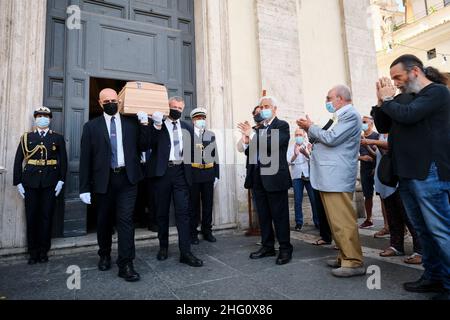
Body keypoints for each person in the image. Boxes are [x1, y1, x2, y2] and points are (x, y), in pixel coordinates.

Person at [375, 54, 450, 300]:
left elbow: (408, 115)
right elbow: (384, 125)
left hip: (428, 172)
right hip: (407, 173)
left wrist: (389, 99)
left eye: (398, 77)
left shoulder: (437, 92)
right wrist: (381, 102)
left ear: (415, 71)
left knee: (440, 229)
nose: (395, 83)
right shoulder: (403, 99)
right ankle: (433, 276)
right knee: (422, 229)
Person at [298, 85, 365, 278]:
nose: (327, 101)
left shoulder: (350, 115)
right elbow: (322, 138)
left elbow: (331, 138)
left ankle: (353, 261)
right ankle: (344, 255)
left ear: (340, 98)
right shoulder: (338, 116)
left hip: (337, 175)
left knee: (343, 220)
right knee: (335, 221)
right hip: (328, 176)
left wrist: (311, 127)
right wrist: (310, 128)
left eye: (329, 98)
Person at [79, 88, 144, 282]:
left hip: (127, 179)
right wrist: (84, 188)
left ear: (120, 101)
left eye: (114, 100)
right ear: (100, 103)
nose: (111, 103)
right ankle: (104, 254)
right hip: (103, 180)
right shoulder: (91, 127)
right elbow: (85, 159)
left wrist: (148, 124)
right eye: (106, 101)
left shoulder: (132, 124)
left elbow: (145, 145)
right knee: (104, 221)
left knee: (125, 221)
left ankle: (126, 263)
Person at [138, 97, 203, 267]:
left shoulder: (187, 127)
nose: (176, 110)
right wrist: (156, 126)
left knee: (183, 212)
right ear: (167, 107)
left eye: (180, 108)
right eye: (173, 107)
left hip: (181, 172)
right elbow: (145, 145)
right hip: (162, 173)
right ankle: (163, 247)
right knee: (161, 212)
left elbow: (194, 152)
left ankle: (185, 252)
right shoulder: (157, 124)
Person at [238, 96, 293, 265]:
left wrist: (252, 135)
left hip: (275, 177)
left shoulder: (282, 125)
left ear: (275, 109)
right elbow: (251, 153)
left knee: (280, 215)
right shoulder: (258, 128)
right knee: (263, 215)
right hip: (257, 178)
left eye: (267, 106)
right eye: (261, 107)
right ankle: (267, 245)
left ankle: (285, 248)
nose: (263, 109)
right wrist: (246, 142)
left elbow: (273, 144)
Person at [13, 106, 67, 264]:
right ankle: (33, 252)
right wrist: (18, 182)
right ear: (35, 118)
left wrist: (61, 180)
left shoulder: (57, 138)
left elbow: (63, 160)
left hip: (50, 183)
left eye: (45, 116)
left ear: (50, 119)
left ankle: (43, 251)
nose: (42, 118)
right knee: (31, 217)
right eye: (39, 115)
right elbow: (18, 160)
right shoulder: (26, 137)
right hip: (29, 183)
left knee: (46, 217)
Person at [363, 133, 422, 264]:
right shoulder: (381, 136)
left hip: (402, 178)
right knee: (393, 215)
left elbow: (396, 146)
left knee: (409, 216)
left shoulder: (399, 127)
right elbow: (384, 154)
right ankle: (396, 246)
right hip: (388, 178)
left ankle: (420, 250)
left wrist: (371, 142)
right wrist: (374, 145)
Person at [189, 107, 220, 244]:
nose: (201, 121)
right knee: (193, 205)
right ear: (193, 120)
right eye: (198, 118)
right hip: (194, 174)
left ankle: (207, 230)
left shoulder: (210, 135)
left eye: (203, 118)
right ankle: (193, 233)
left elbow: (215, 156)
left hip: (208, 174)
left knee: (208, 204)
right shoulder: (187, 134)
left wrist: (217, 175)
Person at [287, 128, 319, 231]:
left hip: (309, 176)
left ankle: (317, 222)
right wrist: (295, 155)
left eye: (300, 134)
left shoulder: (309, 145)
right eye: (296, 135)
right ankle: (299, 223)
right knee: (297, 200)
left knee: (314, 200)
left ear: (304, 135)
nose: (298, 136)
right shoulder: (291, 147)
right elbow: (288, 162)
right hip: (297, 177)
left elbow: (315, 160)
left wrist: (307, 153)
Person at [358, 116, 379, 229]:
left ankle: (389, 222)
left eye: (364, 122)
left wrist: (375, 165)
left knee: (383, 196)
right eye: (361, 122)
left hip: (377, 169)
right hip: (364, 169)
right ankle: (369, 219)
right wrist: (361, 158)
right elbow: (353, 154)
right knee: (367, 195)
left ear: (371, 123)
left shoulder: (376, 136)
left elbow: (381, 153)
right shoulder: (359, 138)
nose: (362, 124)